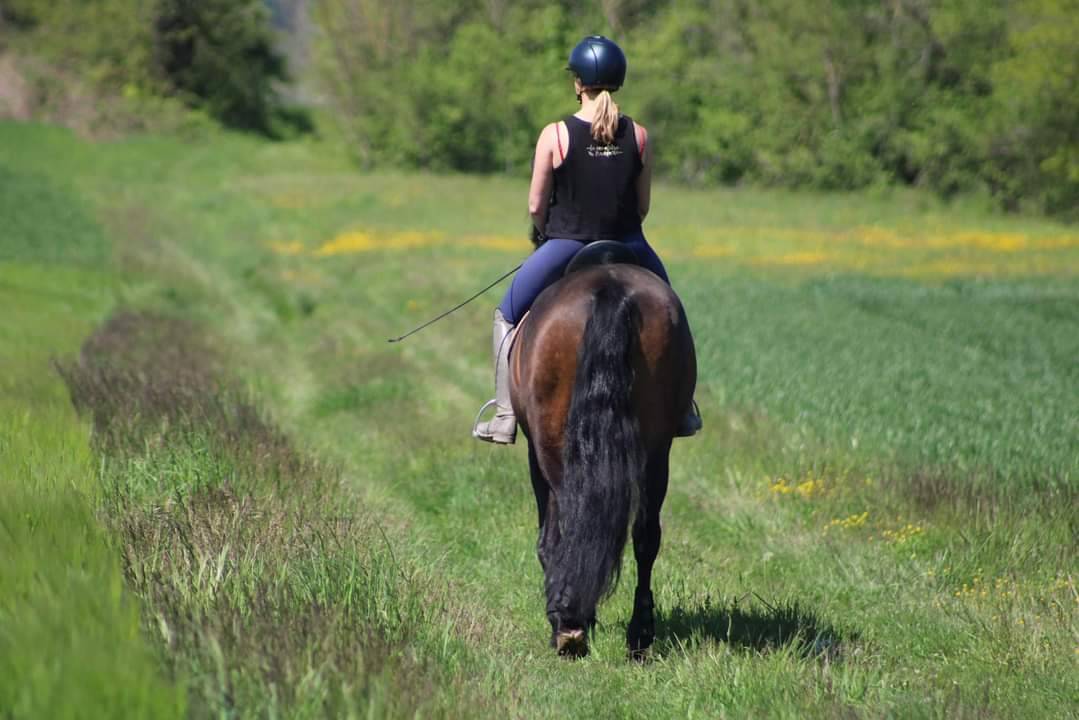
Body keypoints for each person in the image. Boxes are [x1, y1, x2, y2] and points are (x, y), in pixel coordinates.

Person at [473, 35, 701, 444]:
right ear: (618, 79)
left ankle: (505, 413)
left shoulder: (555, 135)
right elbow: (643, 205)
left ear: (578, 83)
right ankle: (682, 408)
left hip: (566, 246)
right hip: (629, 245)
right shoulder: (641, 136)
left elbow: (534, 204)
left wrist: (545, 233)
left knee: (506, 315)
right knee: (671, 311)